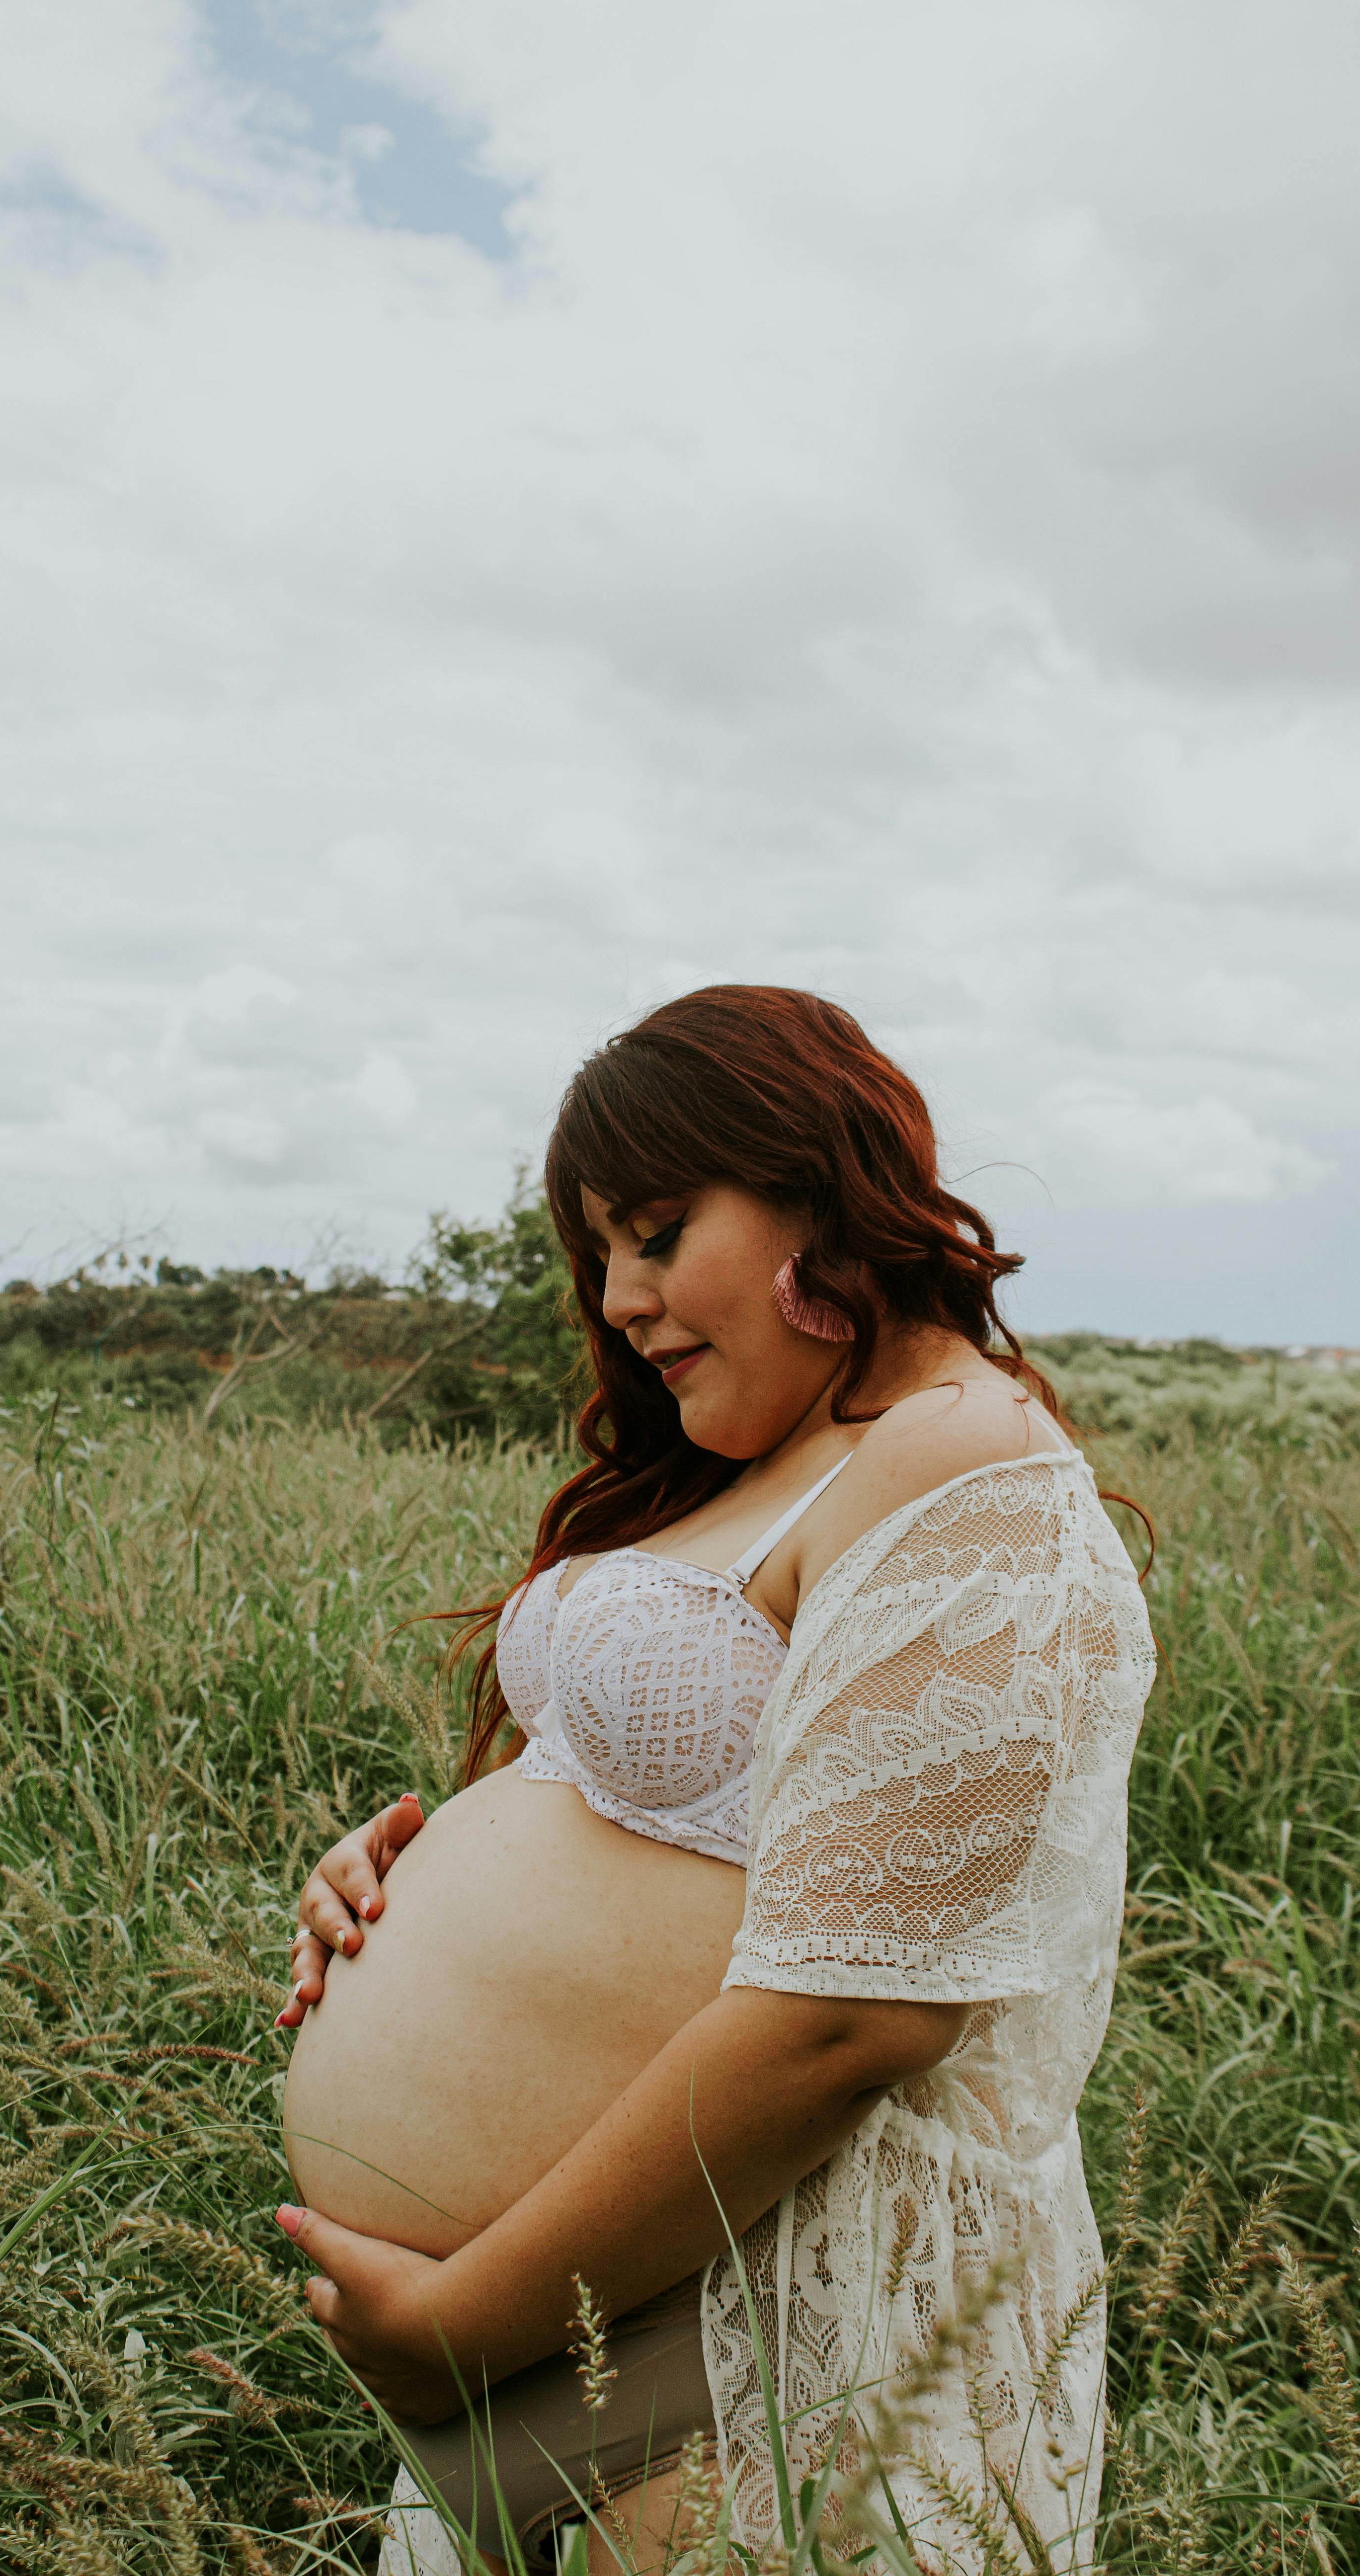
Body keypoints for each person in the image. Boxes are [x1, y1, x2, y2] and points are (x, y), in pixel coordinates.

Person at [272, 986, 1155, 2574]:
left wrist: (459, 2327)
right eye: (601, 1253)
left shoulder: (960, 1462)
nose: (619, 1298)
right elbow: (663, 1817)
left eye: (662, 1232)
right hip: (600, 2342)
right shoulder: (780, 1463)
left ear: (819, 1187)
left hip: (746, 2372)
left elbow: (859, 2015)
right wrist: (398, 1878)